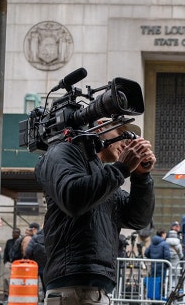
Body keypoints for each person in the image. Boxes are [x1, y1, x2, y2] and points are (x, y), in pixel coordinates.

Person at [35, 119, 156, 305]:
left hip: (95, 289)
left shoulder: (105, 175)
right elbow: (73, 198)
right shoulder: (64, 151)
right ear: (100, 126)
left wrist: (141, 177)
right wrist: (121, 169)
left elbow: (137, 218)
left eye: (131, 139)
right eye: (122, 135)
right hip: (74, 287)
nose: (126, 143)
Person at [25, 227, 47, 297]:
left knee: (33, 283)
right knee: (45, 284)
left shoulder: (35, 237)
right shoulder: (50, 237)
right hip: (47, 266)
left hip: (35, 265)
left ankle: (33, 298)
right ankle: (45, 298)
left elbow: (28, 251)